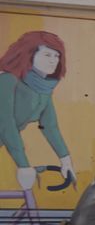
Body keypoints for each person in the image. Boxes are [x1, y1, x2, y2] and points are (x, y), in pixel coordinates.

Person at [0, 31, 75, 191]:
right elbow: (5, 124)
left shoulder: (42, 89)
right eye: (47, 54)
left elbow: (50, 126)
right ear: (29, 55)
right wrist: (23, 165)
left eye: (57, 56)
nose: (53, 60)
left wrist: (66, 160)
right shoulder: (7, 80)